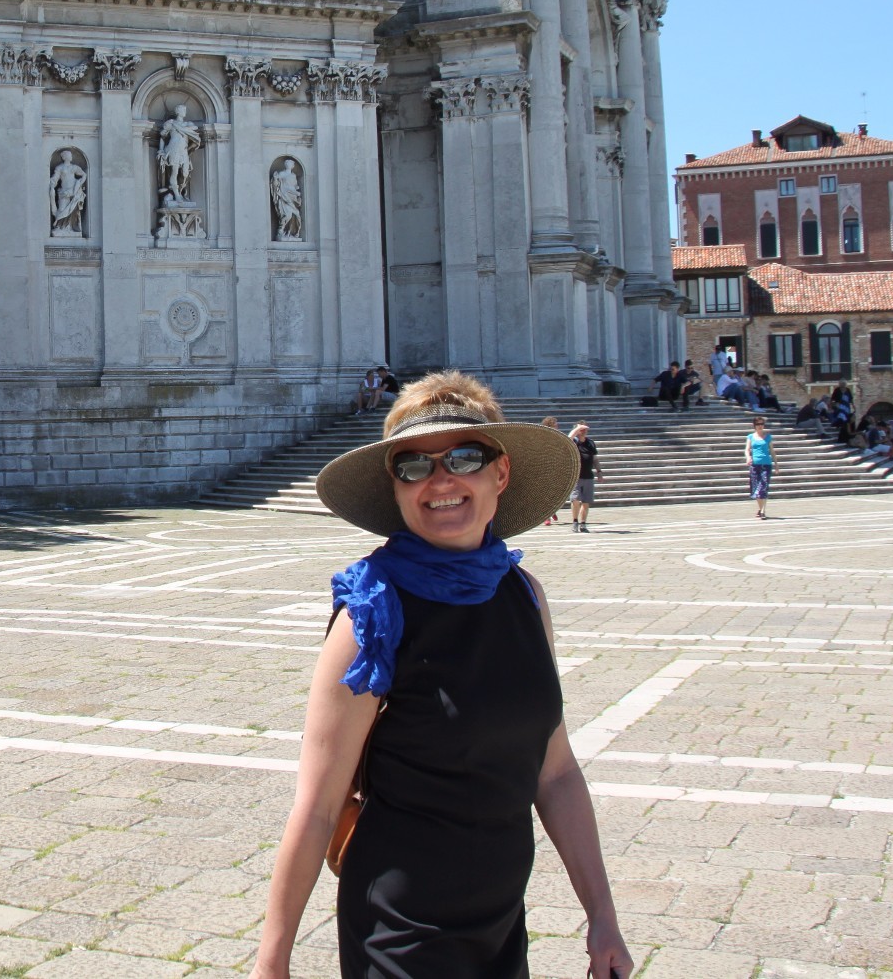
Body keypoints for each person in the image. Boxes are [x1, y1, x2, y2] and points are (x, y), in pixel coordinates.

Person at [251, 372, 632, 979]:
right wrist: (272, 962)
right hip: (400, 926)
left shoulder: (524, 596)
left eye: (464, 457)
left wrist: (602, 917)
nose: (441, 480)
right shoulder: (371, 614)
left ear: (500, 474)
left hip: (501, 920)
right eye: (413, 466)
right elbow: (319, 805)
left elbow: (555, 771)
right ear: (396, 490)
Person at [568, 422, 598, 531]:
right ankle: (575, 521)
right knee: (575, 499)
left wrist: (599, 471)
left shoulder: (590, 443)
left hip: (588, 476)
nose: (583, 431)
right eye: (581, 429)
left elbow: (595, 459)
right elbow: (568, 438)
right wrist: (577, 429)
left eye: (584, 429)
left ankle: (583, 523)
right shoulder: (574, 442)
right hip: (576, 476)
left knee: (586, 501)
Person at [745, 415, 774, 519]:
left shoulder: (768, 437)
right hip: (755, 465)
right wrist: (748, 457)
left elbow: (772, 451)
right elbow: (747, 449)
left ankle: (762, 511)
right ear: (754, 426)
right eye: (758, 424)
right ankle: (760, 508)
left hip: (766, 464)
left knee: (763, 487)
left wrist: (777, 464)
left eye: (762, 424)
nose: (760, 426)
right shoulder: (750, 437)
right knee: (756, 489)